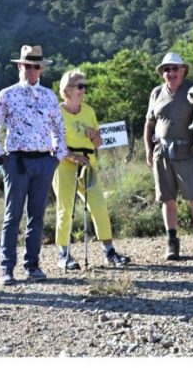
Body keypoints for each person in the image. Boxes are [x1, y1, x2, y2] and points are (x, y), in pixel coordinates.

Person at [0, 45, 68, 286]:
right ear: (19, 67)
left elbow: (59, 127)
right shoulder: (7, 95)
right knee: (12, 215)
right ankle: (7, 268)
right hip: (17, 162)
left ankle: (32, 265)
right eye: (27, 65)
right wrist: (1, 156)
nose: (32, 70)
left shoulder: (48, 95)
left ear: (41, 69)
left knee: (37, 215)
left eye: (36, 66)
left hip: (44, 161)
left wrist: (58, 156)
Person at [52, 69, 131, 270]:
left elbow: (98, 142)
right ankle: (64, 254)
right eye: (80, 86)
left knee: (99, 206)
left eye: (84, 86)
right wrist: (72, 156)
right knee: (66, 208)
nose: (83, 90)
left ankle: (109, 251)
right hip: (65, 164)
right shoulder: (56, 111)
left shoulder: (88, 111)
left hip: (88, 164)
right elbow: (54, 142)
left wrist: (94, 135)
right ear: (67, 89)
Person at [144, 53, 193, 261]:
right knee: (167, 199)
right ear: (162, 73)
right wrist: (148, 149)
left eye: (175, 68)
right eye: (167, 69)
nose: (171, 73)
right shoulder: (156, 92)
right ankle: (172, 243)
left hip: (187, 151)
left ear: (183, 70)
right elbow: (149, 124)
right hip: (162, 152)